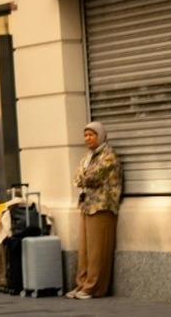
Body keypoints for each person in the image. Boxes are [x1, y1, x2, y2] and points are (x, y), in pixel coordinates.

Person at [66, 121, 122, 300]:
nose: (87, 138)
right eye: (86, 135)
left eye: (91, 135)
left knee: (98, 250)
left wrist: (84, 176)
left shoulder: (109, 156)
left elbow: (92, 176)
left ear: (101, 136)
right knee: (84, 250)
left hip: (101, 207)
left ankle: (94, 287)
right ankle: (82, 283)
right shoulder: (88, 156)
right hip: (86, 206)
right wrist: (83, 177)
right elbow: (77, 178)